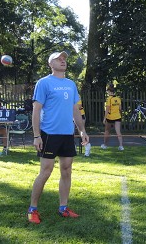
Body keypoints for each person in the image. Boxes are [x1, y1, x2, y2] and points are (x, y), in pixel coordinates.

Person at [27, 51, 89, 224]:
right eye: (58, 59)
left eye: (64, 59)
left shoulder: (71, 84)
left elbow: (75, 110)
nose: (62, 61)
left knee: (66, 170)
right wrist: (37, 135)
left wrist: (82, 130)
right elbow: (36, 110)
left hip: (67, 134)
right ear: (50, 64)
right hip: (49, 134)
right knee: (46, 171)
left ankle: (63, 208)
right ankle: (32, 209)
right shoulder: (44, 83)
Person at [101, 84, 124, 151]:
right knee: (118, 132)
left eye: (107, 92)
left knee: (107, 131)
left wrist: (104, 118)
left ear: (109, 91)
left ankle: (105, 145)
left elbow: (107, 109)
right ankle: (121, 146)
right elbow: (120, 109)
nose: (107, 93)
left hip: (110, 117)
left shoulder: (109, 99)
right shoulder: (118, 98)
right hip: (117, 117)